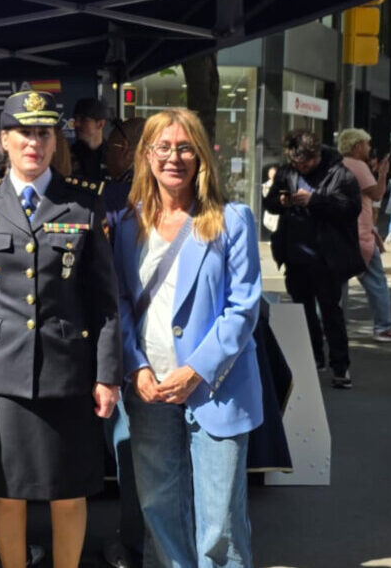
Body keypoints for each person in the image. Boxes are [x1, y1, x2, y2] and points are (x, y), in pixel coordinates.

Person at [0, 90, 120, 568]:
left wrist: (107, 374)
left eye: (44, 133)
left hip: (68, 373)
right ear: (3, 140)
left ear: (56, 141)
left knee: (68, 490)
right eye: (24, 133)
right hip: (0, 373)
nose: (34, 142)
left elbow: (104, 299)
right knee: (6, 489)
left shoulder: (83, 202)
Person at [114, 107, 262, 568]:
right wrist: (134, 365)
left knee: (220, 525)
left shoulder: (231, 220)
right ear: (146, 155)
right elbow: (119, 303)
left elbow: (243, 308)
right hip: (150, 389)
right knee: (159, 509)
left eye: (184, 147)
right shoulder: (128, 224)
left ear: (201, 157)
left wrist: (196, 369)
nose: (173, 157)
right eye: (163, 147)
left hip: (217, 389)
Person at [264, 129, 364, 388]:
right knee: (303, 311)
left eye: (305, 164)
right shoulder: (287, 172)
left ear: (316, 155)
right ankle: (313, 358)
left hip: (327, 257)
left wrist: (314, 200)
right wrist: (282, 200)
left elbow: (351, 208)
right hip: (295, 254)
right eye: (296, 163)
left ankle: (340, 366)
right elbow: (270, 202)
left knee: (331, 312)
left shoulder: (340, 173)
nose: (300, 168)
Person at [97, 116, 149, 568]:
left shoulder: (119, 198)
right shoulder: (108, 191)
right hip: (133, 348)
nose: (108, 152)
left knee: (131, 451)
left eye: (115, 145)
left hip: (129, 348)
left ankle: (135, 545)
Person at [337, 129, 391, 342]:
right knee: (376, 282)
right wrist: (383, 173)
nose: (369, 148)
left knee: (336, 285)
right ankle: (384, 327)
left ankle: (329, 326)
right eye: (367, 144)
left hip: (340, 234)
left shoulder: (338, 164)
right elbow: (376, 194)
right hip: (360, 234)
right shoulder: (358, 166)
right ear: (357, 146)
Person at [70, 97, 111, 181]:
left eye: (83, 120)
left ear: (100, 124)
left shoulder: (113, 156)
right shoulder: (67, 156)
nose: (76, 124)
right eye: (75, 120)